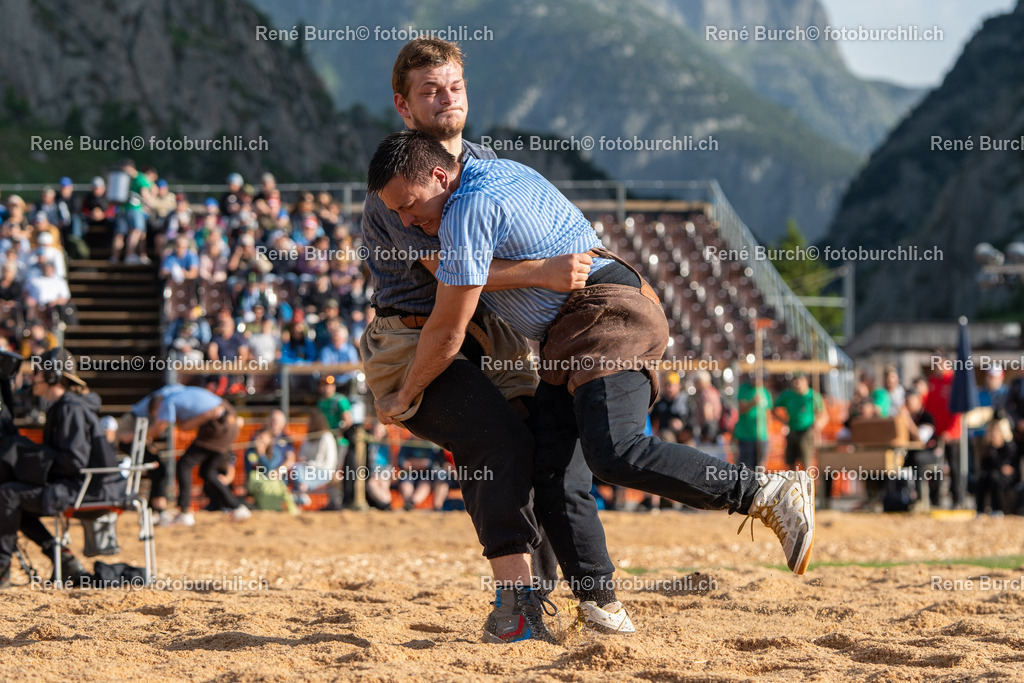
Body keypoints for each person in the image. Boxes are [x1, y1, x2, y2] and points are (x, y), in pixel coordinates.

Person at [366, 131, 815, 585]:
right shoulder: (501, 171)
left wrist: (403, 396)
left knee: (617, 450)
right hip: (582, 322)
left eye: (408, 205)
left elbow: (446, 329)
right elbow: (466, 268)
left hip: (603, 315)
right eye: (396, 211)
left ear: (441, 175)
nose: (405, 221)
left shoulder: (466, 207)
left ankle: (765, 492)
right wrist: (542, 271)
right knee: (551, 472)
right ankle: (599, 603)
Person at [358, 38, 620, 643]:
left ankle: (545, 597)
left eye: (453, 85)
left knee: (540, 452)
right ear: (404, 105)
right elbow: (447, 275)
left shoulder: (483, 165)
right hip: (414, 330)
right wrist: (544, 273)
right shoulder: (395, 185)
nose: (445, 98)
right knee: (494, 443)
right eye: (429, 90)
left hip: (495, 330)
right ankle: (514, 602)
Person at [0, 349, 113, 587]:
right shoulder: (63, 406)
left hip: (82, 488)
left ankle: (2, 569)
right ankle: (62, 558)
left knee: (7, 495)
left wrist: (28, 455)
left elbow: (73, 460)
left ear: (53, 375)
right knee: (11, 495)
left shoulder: (69, 408)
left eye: (37, 372)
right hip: (74, 483)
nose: (32, 378)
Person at [135, 385, 249, 526]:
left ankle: (184, 512)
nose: (158, 415)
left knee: (184, 465)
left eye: (156, 413)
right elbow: (188, 423)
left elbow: (162, 426)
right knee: (208, 472)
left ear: (157, 406)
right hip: (227, 423)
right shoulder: (180, 395)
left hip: (218, 425)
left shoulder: (167, 401)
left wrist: (139, 438)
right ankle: (237, 507)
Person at [773, 373, 827, 472]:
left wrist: (818, 425)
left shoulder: (813, 396)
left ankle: (808, 485)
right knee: (790, 464)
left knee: (807, 463)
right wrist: (783, 420)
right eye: (795, 380)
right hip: (792, 431)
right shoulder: (788, 395)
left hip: (806, 432)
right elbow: (774, 408)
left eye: (799, 380)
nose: (797, 383)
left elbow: (823, 415)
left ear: (806, 381)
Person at [975, 418, 1019, 515]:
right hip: (993, 473)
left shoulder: (1009, 446)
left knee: (994, 478)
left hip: (1007, 477)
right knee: (982, 479)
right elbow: (985, 466)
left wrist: (994, 451)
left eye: (995, 431)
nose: (993, 434)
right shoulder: (988, 448)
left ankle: (997, 509)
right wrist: (992, 448)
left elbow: (1007, 467)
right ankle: (980, 510)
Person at [735, 373, 772, 471]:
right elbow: (742, 409)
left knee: (760, 466)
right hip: (746, 436)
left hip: (761, 436)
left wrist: (768, 433)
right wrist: (752, 402)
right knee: (745, 467)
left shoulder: (765, 393)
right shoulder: (744, 389)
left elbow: (768, 414)